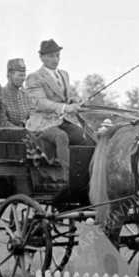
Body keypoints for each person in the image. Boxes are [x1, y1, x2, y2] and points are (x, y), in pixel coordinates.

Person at [25, 39, 88, 187]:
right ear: (42, 57)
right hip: (42, 124)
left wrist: (74, 100)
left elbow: (66, 97)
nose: (55, 59)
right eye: (52, 56)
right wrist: (65, 108)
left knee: (84, 136)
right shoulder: (34, 77)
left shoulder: (64, 74)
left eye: (57, 56)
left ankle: (85, 174)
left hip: (62, 121)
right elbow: (40, 103)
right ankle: (67, 179)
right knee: (61, 137)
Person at [2, 58, 30, 127]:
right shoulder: (1, 95)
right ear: (10, 75)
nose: (23, 78)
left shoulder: (26, 95)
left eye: (24, 75)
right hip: (8, 135)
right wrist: (21, 131)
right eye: (20, 75)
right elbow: (2, 122)